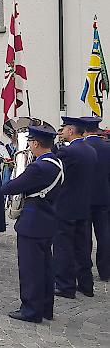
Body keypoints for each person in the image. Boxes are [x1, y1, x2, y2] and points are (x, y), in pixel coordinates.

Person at [1, 124, 64, 323]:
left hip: (32, 221)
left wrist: (16, 173)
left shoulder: (38, 167)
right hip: (47, 219)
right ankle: (46, 307)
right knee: (45, 267)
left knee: (30, 269)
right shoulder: (56, 162)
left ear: (36, 143)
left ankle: (31, 310)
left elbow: (10, 187)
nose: (28, 146)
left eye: (29, 143)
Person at [53, 116, 97, 298]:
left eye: (64, 129)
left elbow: (53, 166)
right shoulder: (90, 150)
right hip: (84, 205)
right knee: (82, 246)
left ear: (71, 131)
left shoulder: (69, 151)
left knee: (63, 246)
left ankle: (65, 285)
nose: (61, 132)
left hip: (66, 205)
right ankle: (86, 284)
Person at [81, 116, 110, 281]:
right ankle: (105, 271)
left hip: (84, 198)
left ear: (84, 130)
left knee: (85, 237)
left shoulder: (81, 147)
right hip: (104, 196)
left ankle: (85, 272)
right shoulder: (107, 147)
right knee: (104, 234)